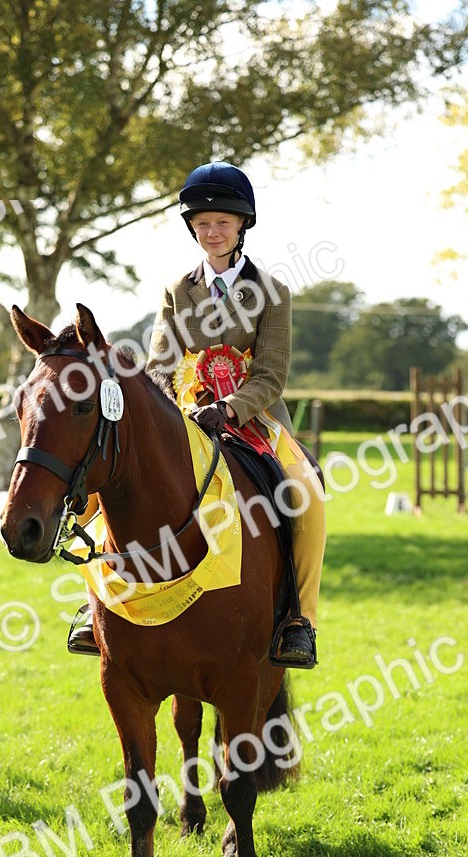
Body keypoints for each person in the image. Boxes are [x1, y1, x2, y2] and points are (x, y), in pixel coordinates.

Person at [68, 161, 325, 667]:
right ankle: (95, 602)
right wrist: (170, 410)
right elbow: (161, 364)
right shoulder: (176, 290)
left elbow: (271, 374)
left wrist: (229, 408)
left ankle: (300, 618)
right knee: (102, 486)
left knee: (306, 494)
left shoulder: (273, 293)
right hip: (185, 417)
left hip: (255, 419)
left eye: (222, 222)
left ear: (242, 225)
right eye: (203, 223)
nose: (212, 232)